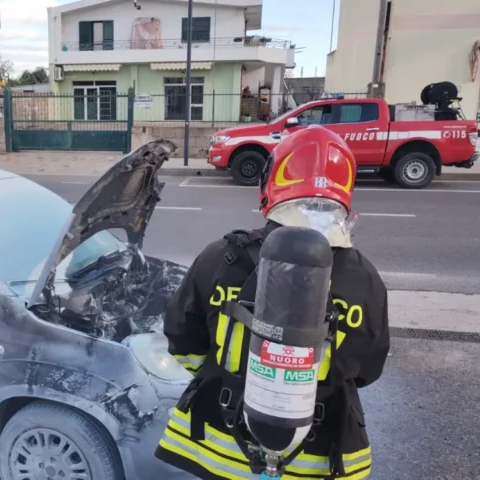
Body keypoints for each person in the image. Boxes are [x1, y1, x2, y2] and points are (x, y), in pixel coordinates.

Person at [155, 125, 389, 479]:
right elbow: (368, 369)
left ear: (270, 185)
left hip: (216, 446)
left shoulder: (221, 258)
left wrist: (225, 376)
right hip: (318, 459)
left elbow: (181, 337)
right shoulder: (365, 279)